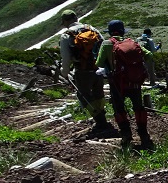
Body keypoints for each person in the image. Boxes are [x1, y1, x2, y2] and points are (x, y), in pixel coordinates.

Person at [96, 19, 153, 150]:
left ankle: (126, 135)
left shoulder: (106, 44)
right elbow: (149, 55)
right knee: (139, 108)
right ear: (123, 31)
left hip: (117, 84)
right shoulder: (132, 43)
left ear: (110, 32)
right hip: (134, 82)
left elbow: (99, 64)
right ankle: (144, 135)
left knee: (119, 109)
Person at [58, 9, 116, 137]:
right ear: (76, 18)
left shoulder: (66, 35)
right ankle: (103, 119)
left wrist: (65, 72)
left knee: (83, 95)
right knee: (99, 94)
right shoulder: (93, 30)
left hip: (82, 70)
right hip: (98, 69)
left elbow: (66, 58)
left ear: (66, 22)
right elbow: (104, 46)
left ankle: (99, 120)